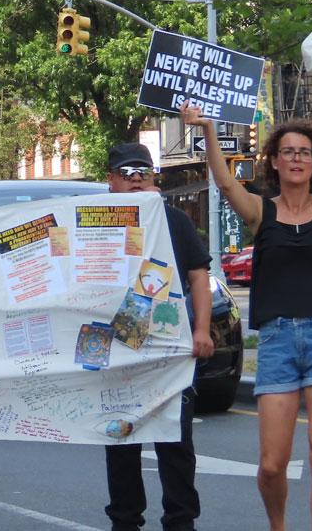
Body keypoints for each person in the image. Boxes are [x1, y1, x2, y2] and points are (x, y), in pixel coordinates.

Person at [183, 71, 312, 531]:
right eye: (288, 152)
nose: (296, 159)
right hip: (275, 342)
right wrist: (209, 131)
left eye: (304, 153)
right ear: (274, 160)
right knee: (272, 465)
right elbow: (225, 182)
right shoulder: (260, 211)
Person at [100, 142, 214, 531]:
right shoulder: (98, 224)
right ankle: (125, 519)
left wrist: (201, 330)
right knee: (121, 440)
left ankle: (181, 521)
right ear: (110, 182)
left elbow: (199, 275)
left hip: (169, 348)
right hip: (116, 349)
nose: (136, 179)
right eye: (127, 173)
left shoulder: (174, 222)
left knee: (176, 443)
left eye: (143, 172)